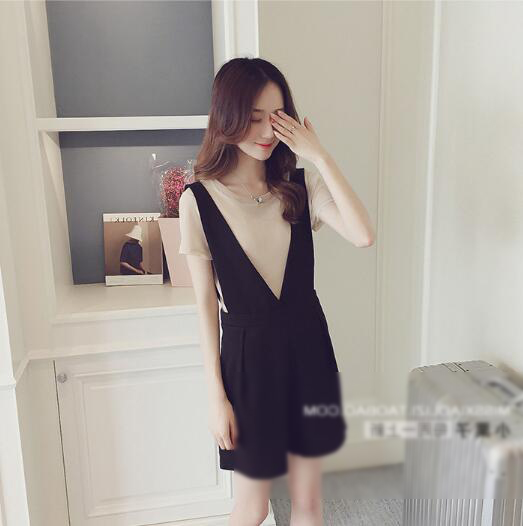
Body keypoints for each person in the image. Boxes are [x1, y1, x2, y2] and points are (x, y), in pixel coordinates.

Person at [178, 57, 375, 526]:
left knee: (308, 504)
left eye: (277, 115)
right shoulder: (198, 200)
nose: (268, 131)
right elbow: (205, 306)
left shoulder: (300, 187)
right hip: (247, 366)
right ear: (226, 117)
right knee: (252, 507)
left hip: (309, 353)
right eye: (253, 117)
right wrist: (216, 397)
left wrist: (319, 155)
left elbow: (364, 235)